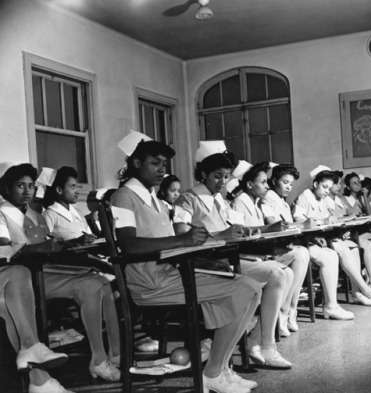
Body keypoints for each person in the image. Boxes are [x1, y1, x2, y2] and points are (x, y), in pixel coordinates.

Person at [111, 139, 261, 393]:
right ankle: (214, 372)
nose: (161, 170)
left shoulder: (155, 199)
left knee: (252, 288)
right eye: (155, 163)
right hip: (148, 282)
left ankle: (220, 368)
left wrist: (200, 246)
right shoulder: (123, 196)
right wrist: (182, 239)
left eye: (164, 165)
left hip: (169, 274)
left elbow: (169, 244)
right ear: (136, 163)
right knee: (245, 287)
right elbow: (128, 245)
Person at [174, 141, 292, 369]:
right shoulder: (187, 199)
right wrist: (220, 235)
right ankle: (262, 345)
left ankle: (258, 341)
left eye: (226, 176)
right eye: (217, 176)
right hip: (205, 264)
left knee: (283, 274)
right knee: (277, 273)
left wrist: (269, 228)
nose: (222, 182)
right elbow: (182, 235)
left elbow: (237, 228)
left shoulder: (219, 200)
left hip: (227, 259)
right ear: (202, 174)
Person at [0, 163, 121, 382]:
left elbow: (48, 246)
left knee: (95, 283)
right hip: (21, 282)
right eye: (20, 186)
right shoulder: (2, 214)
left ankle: (100, 358)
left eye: (30, 186)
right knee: (96, 281)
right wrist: (40, 248)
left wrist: (70, 244)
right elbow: (4, 249)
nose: (27, 191)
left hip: (45, 273)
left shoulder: (36, 215)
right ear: (7, 189)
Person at [293, 166, 371, 311]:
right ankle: (366, 289)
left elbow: (328, 218)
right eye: (324, 187)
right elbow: (300, 220)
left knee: (353, 247)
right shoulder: (304, 197)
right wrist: (323, 223)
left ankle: (357, 293)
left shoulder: (322, 199)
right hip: (308, 240)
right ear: (315, 184)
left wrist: (329, 221)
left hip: (323, 237)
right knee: (342, 246)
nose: (326, 191)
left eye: (328, 187)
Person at [232, 162, 309, 336]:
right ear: (250, 184)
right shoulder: (239, 202)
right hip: (248, 255)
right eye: (264, 182)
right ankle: (279, 316)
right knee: (296, 259)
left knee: (301, 254)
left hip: (260, 252)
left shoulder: (256, 202)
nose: (267, 186)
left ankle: (287, 312)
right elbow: (238, 233)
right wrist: (270, 229)